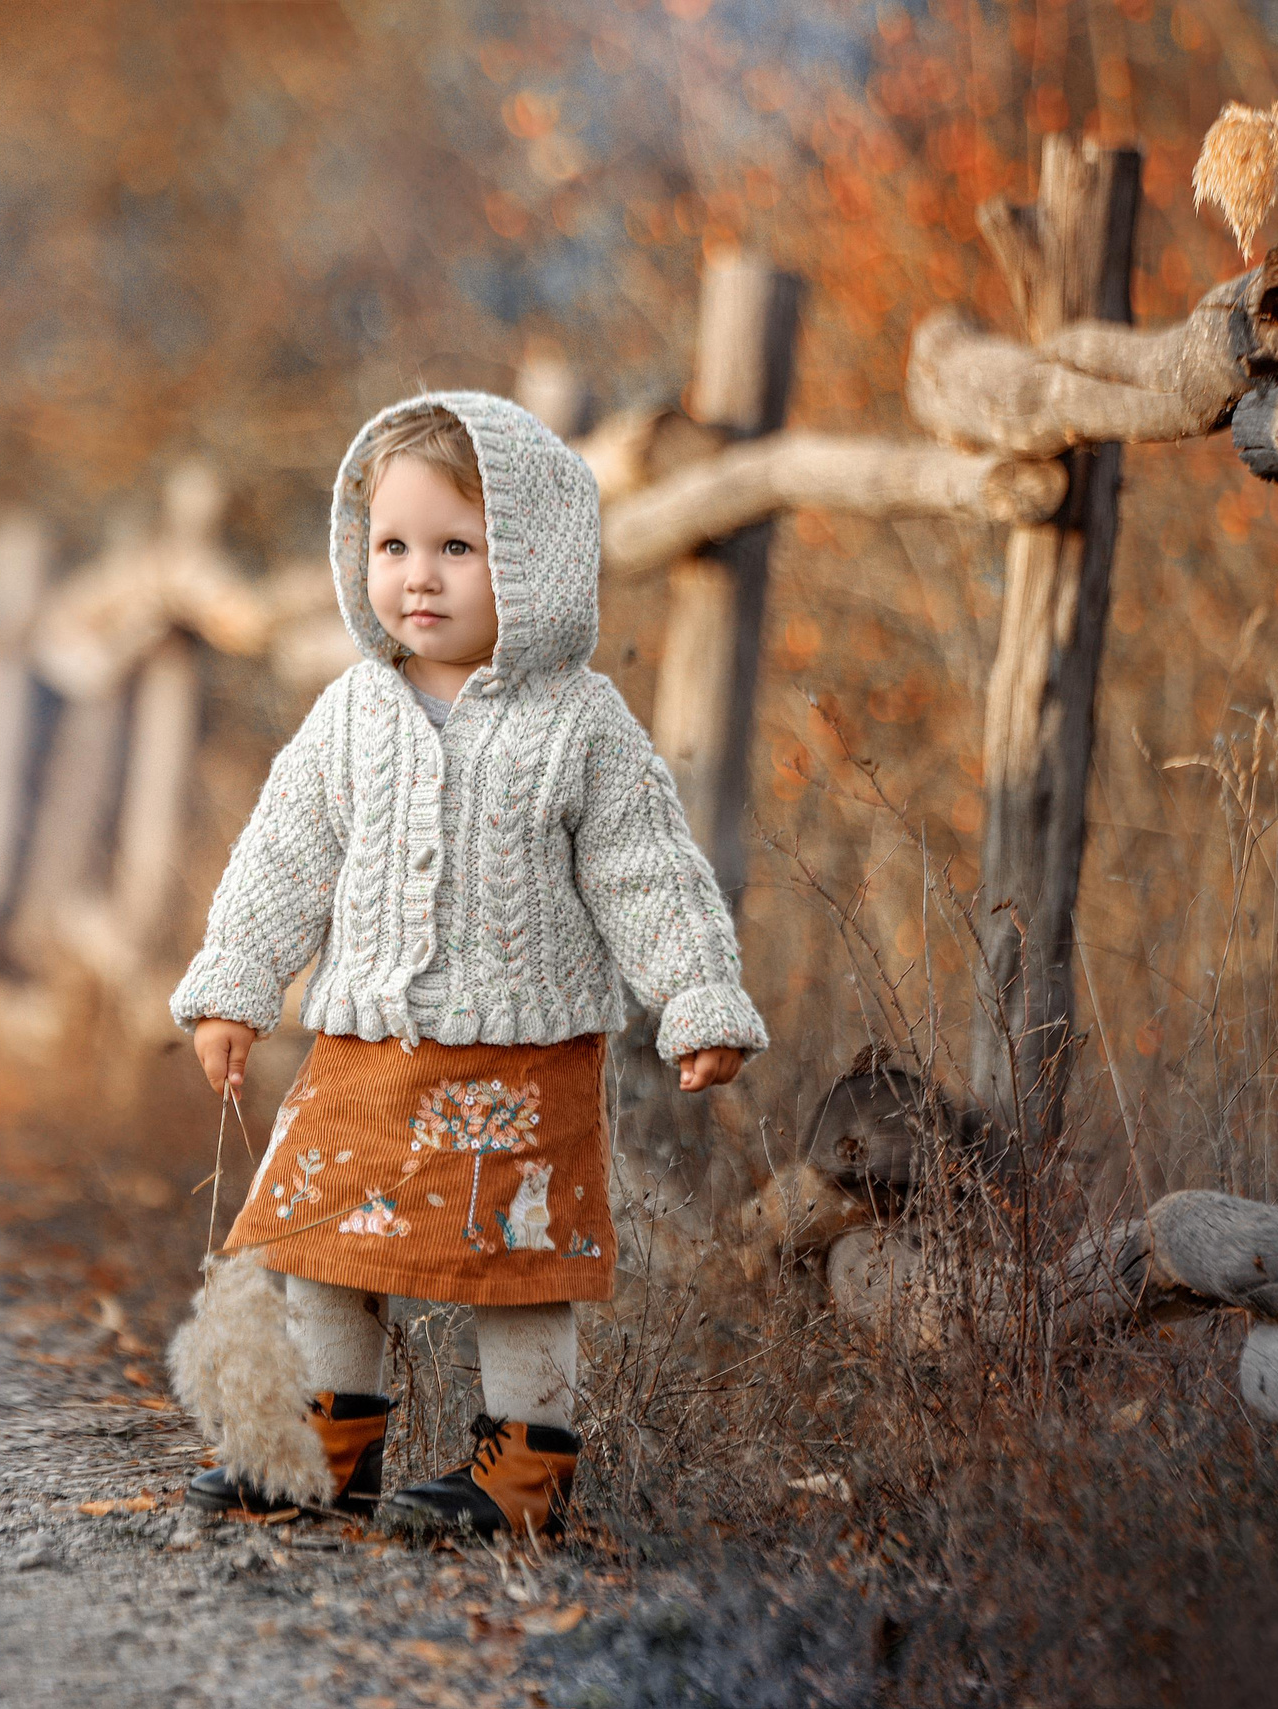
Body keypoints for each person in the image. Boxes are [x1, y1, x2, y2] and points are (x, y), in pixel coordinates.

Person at [169, 391, 766, 1538]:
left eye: (457, 548)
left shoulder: (579, 723)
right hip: (365, 1048)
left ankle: (523, 1474)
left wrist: (696, 993)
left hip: (524, 1052)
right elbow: (283, 854)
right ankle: (320, 1451)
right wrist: (237, 983)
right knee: (324, 1243)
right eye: (393, 547)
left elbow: (647, 867)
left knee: (521, 1266)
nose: (418, 578)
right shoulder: (352, 713)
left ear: (531, 563)